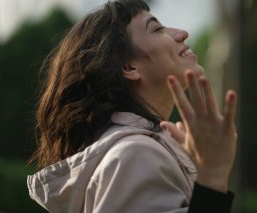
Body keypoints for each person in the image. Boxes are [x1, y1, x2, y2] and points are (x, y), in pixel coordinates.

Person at [27, 0, 238, 212]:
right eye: (157, 29)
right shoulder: (136, 155)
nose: (182, 33)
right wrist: (212, 175)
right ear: (129, 66)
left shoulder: (140, 152)